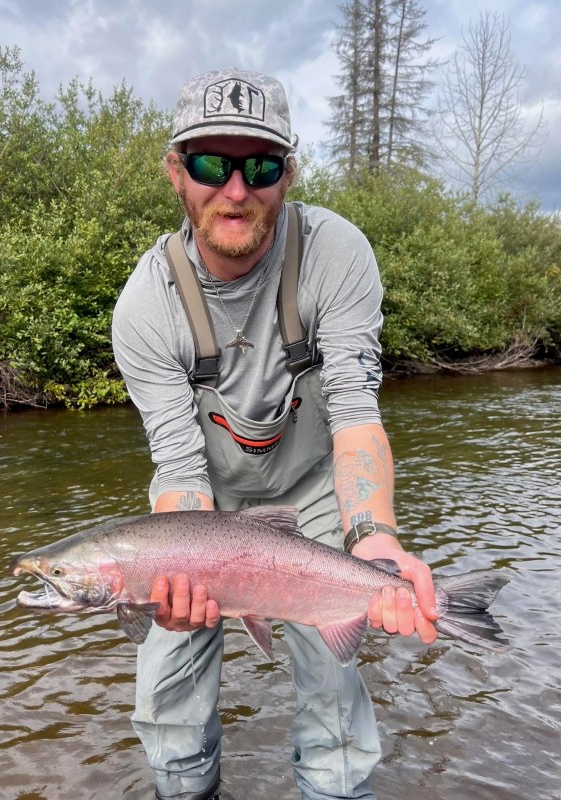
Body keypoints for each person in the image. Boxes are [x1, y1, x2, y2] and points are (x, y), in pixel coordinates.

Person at [112, 68, 438, 800]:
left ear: (288, 172)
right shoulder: (144, 305)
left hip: (315, 486)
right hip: (198, 504)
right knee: (169, 695)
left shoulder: (336, 252)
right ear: (176, 172)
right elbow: (179, 462)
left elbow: (355, 410)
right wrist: (184, 577)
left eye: (259, 166)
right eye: (209, 164)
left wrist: (375, 539)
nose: (235, 190)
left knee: (333, 682)